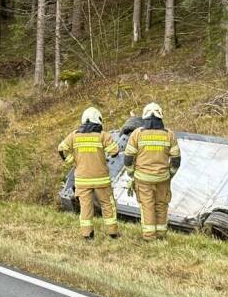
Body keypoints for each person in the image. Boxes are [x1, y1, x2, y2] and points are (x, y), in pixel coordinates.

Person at [58, 107, 120, 240]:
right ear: (98, 120)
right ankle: (113, 233)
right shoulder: (103, 135)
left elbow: (61, 149)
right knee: (108, 205)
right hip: (101, 179)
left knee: (85, 207)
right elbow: (114, 152)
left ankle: (87, 235)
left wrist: (73, 162)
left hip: (82, 179)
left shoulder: (74, 135)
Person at [124, 102, 182, 240]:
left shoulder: (137, 134)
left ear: (144, 117)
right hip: (162, 178)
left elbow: (128, 159)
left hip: (142, 179)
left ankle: (149, 237)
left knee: (147, 206)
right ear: (161, 116)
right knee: (161, 205)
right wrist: (170, 175)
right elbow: (176, 160)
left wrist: (132, 174)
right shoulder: (169, 134)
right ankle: (161, 235)